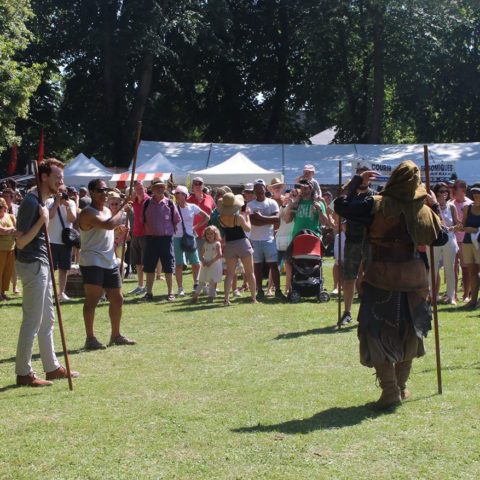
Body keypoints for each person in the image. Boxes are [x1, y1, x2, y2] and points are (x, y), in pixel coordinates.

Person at [334, 161, 446, 410]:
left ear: (394, 178)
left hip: (382, 276)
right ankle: (400, 387)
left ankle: (391, 390)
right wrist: (433, 203)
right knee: (411, 330)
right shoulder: (424, 210)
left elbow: (341, 205)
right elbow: (442, 236)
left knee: (374, 330)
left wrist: (357, 182)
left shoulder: (375, 204)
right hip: (415, 278)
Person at [15, 158, 79, 386]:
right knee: (32, 321)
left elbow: (47, 217)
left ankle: (52, 368)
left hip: (42, 262)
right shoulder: (31, 202)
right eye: (57, 177)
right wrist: (42, 219)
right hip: (31, 262)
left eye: (61, 177)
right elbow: (21, 241)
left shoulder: (44, 199)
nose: (61, 182)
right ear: (43, 177)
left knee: (48, 318)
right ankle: (24, 373)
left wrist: (48, 213)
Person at [78, 178, 136, 350]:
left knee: (117, 298)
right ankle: (90, 338)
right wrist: (122, 209)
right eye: (100, 190)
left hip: (109, 260)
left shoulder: (105, 210)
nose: (104, 193)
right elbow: (108, 225)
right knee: (92, 300)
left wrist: (117, 231)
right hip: (92, 261)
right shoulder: (88, 212)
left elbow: (106, 230)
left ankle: (116, 335)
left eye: (106, 190)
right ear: (92, 192)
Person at [337, 165, 375, 326]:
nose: (364, 179)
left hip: (370, 240)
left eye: (366, 177)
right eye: (361, 177)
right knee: (349, 277)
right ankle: (347, 312)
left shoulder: (374, 197)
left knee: (372, 277)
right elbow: (340, 206)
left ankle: (372, 311)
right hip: (353, 239)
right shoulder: (349, 196)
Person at [284, 179, 331, 295]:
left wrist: (319, 210)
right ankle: (291, 287)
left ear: (312, 189)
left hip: (313, 240)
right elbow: (287, 220)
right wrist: (290, 206)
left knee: (313, 263)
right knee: (292, 262)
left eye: (306, 188)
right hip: (297, 239)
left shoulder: (317, 204)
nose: (303, 190)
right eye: (302, 188)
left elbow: (325, 222)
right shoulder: (297, 204)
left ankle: (315, 287)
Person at [141, 178, 181, 302]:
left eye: (162, 187)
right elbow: (142, 221)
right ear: (152, 189)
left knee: (169, 267)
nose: (160, 189)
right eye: (157, 187)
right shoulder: (147, 204)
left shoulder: (169, 203)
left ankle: (171, 292)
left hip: (166, 239)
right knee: (149, 267)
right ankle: (149, 293)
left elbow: (176, 220)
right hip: (151, 239)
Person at [248, 179, 285, 300]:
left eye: (261, 188)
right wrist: (266, 219)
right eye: (257, 189)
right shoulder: (250, 205)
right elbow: (252, 221)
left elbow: (276, 219)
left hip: (269, 239)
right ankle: (260, 290)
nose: (259, 191)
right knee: (257, 267)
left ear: (265, 189)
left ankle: (278, 290)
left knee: (273, 265)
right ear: (254, 190)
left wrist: (260, 217)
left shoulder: (272, 203)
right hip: (254, 239)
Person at [217, 193, 257, 304]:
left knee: (230, 274)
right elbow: (248, 229)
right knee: (250, 273)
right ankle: (253, 298)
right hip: (242, 244)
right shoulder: (238, 217)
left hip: (230, 245)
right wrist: (247, 215)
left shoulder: (219, 218)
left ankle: (226, 298)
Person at [173, 185, 209, 296]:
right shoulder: (173, 207)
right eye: (176, 193)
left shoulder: (192, 207)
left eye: (178, 193)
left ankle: (197, 284)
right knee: (179, 264)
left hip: (189, 237)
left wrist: (195, 227)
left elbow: (206, 217)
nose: (176, 195)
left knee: (196, 263)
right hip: (177, 238)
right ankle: (180, 288)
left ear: (184, 195)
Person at [427, 183, 460, 304]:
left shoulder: (451, 207)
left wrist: (452, 228)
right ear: (436, 194)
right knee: (433, 268)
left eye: (446, 191)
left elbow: (457, 224)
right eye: (440, 191)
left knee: (450, 268)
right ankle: (432, 295)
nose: (443, 194)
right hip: (434, 240)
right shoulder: (430, 207)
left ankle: (451, 296)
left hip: (449, 240)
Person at [45, 185, 77, 302]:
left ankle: (61, 293)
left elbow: (72, 219)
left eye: (64, 192)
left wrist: (67, 205)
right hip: (51, 240)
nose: (62, 194)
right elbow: (50, 216)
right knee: (50, 268)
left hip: (65, 241)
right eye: (60, 191)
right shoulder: (49, 201)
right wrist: (57, 202)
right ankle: (48, 292)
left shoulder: (71, 203)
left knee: (64, 269)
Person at [449, 179, 473, 302]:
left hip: (464, 240)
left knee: (465, 267)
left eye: (455, 188)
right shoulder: (450, 204)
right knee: (453, 268)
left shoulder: (470, 205)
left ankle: (466, 294)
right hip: (453, 240)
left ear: (462, 190)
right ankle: (453, 294)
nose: (452, 190)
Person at [191, 226, 223, 303]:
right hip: (206, 264)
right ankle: (195, 296)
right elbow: (201, 255)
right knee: (201, 280)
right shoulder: (205, 244)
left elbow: (219, 255)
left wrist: (211, 262)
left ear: (215, 234)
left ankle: (211, 296)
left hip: (214, 264)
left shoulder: (217, 244)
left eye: (211, 233)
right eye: (207, 234)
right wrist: (203, 261)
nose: (209, 235)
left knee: (212, 281)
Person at [461, 183, 480, 309]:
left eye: (478, 194)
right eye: (474, 194)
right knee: (472, 272)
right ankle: (473, 300)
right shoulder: (468, 207)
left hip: (479, 243)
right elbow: (463, 225)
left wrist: (474, 230)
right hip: (467, 242)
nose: (476, 196)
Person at [128, 180, 149, 295]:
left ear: (145, 188)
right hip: (135, 233)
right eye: (137, 189)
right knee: (138, 262)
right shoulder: (134, 201)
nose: (139, 191)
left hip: (145, 234)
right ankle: (140, 285)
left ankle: (146, 286)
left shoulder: (148, 201)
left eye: (141, 189)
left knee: (145, 262)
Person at [187, 176, 216, 258]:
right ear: (192, 187)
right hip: (194, 235)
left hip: (210, 235)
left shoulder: (209, 198)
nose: (197, 186)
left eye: (200, 184)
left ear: (203, 186)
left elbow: (214, 214)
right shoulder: (188, 201)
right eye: (195, 184)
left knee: (211, 259)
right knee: (199, 261)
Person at [0, 197, 16, 301]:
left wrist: (8, 231)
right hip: (0, 249)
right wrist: (10, 230)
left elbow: (17, 229)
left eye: (0, 206)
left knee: (7, 272)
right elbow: (1, 231)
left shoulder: (10, 216)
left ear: (5, 206)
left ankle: (3, 292)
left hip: (11, 248)